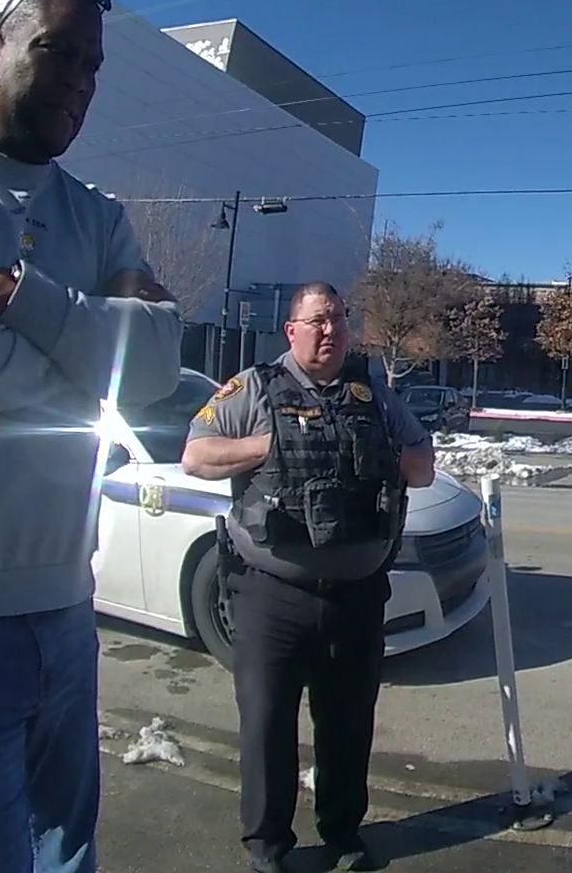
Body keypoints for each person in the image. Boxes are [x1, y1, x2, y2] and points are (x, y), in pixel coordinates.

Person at [0, 0, 183, 873]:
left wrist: (21, 297)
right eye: (56, 52)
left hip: (67, 607)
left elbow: (152, 368)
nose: (76, 82)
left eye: (92, 68)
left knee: (71, 854)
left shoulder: (97, 215)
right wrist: (87, 359)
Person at [182, 282, 435, 873]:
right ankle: (267, 846)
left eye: (340, 321)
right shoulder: (252, 388)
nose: (331, 331)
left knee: (348, 724)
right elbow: (196, 455)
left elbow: (422, 467)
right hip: (272, 595)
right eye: (318, 321)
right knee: (268, 724)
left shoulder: (373, 394)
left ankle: (343, 833)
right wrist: (272, 446)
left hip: (356, 596)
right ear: (291, 330)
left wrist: (375, 453)